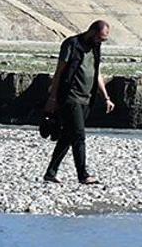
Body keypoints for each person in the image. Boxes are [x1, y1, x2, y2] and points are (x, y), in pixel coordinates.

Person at [43, 20, 115, 184]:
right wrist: (53, 98)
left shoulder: (95, 48)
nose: (101, 42)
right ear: (92, 32)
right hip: (70, 97)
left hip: (87, 99)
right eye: (100, 38)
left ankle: (50, 172)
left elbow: (96, 73)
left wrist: (106, 97)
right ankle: (83, 175)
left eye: (103, 40)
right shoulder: (71, 44)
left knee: (68, 136)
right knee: (79, 136)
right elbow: (59, 72)